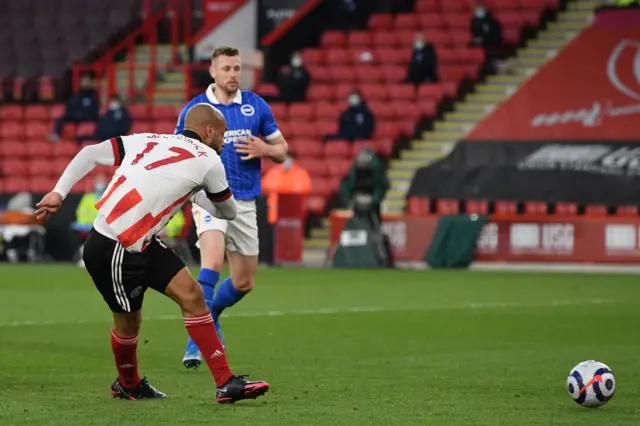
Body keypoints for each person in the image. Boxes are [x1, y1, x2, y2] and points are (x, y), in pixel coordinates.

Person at [34, 104, 270, 403]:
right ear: (208, 131)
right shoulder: (209, 159)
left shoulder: (149, 139)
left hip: (137, 240)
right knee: (129, 324)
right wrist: (198, 193)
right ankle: (128, 384)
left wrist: (58, 192)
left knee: (193, 295)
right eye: (221, 134)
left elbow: (90, 154)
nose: (223, 141)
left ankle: (226, 384)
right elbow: (229, 211)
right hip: (114, 247)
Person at [175, 46, 288, 369]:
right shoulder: (195, 110)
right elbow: (178, 151)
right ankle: (197, 342)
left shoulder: (256, 106)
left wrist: (265, 148)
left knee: (244, 281)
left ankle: (212, 316)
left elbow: (283, 150)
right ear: (213, 72)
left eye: (237, 68)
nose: (233, 74)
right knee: (211, 261)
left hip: (245, 201)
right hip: (210, 197)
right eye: (226, 69)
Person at [49, 75, 100, 142]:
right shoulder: (76, 97)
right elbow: (70, 108)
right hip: (76, 117)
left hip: (88, 118)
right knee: (60, 119)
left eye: (87, 81)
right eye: (84, 81)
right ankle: (56, 135)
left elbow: (95, 111)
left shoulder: (94, 97)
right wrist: (76, 114)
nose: (86, 83)